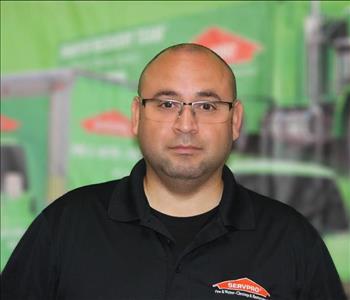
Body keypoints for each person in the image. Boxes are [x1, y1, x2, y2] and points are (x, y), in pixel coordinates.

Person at [1, 43, 346, 300]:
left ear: (236, 120)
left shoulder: (291, 240)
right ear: (136, 115)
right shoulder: (64, 226)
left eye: (206, 106)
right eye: (167, 104)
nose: (186, 125)